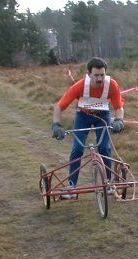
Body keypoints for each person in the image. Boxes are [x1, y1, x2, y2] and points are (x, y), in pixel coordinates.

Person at [52, 57, 125, 195]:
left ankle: (108, 183)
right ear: (89, 74)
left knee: (104, 147)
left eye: (102, 75)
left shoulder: (112, 85)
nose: (99, 79)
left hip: (102, 116)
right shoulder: (79, 86)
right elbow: (59, 107)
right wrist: (56, 125)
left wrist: (119, 121)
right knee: (78, 149)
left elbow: (119, 108)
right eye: (96, 75)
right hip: (83, 116)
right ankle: (71, 186)